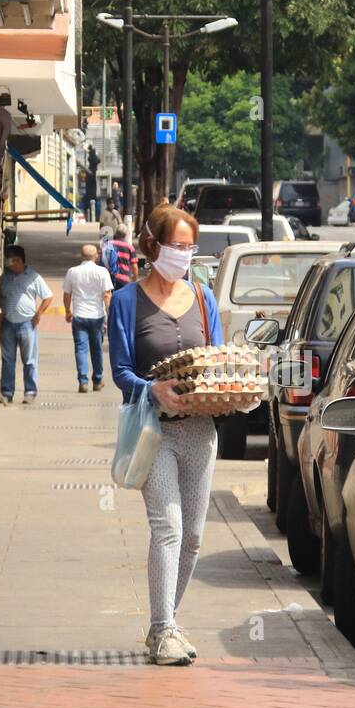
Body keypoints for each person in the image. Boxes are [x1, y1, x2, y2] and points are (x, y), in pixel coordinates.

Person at [109, 202, 224, 666]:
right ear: (153, 246)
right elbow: (119, 372)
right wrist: (151, 390)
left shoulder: (202, 297)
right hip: (154, 433)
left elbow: (216, 359)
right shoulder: (125, 301)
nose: (186, 254)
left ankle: (167, 624)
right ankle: (162, 630)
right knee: (168, 527)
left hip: (200, 431)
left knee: (194, 536)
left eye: (190, 246)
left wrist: (236, 387)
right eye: (178, 245)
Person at [0, 244, 53, 404]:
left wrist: (39, 313)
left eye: (11, 261)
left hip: (27, 324)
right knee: (8, 360)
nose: (8, 264)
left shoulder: (33, 276)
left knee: (29, 360)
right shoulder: (4, 278)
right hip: (8, 324)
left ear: (19, 260)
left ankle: (30, 391)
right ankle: (7, 392)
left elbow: (48, 296)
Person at [62, 244, 113, 392]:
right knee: (97, 349)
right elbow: (106, 294)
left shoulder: (72, 272)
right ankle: (97, 380)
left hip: (79, 315)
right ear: (96, 255)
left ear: (81, 256)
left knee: (80, 349)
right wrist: (109, 313)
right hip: (97, 316)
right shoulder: (102, 272)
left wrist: (67, 310)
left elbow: (67, 295)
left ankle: (83, 381)